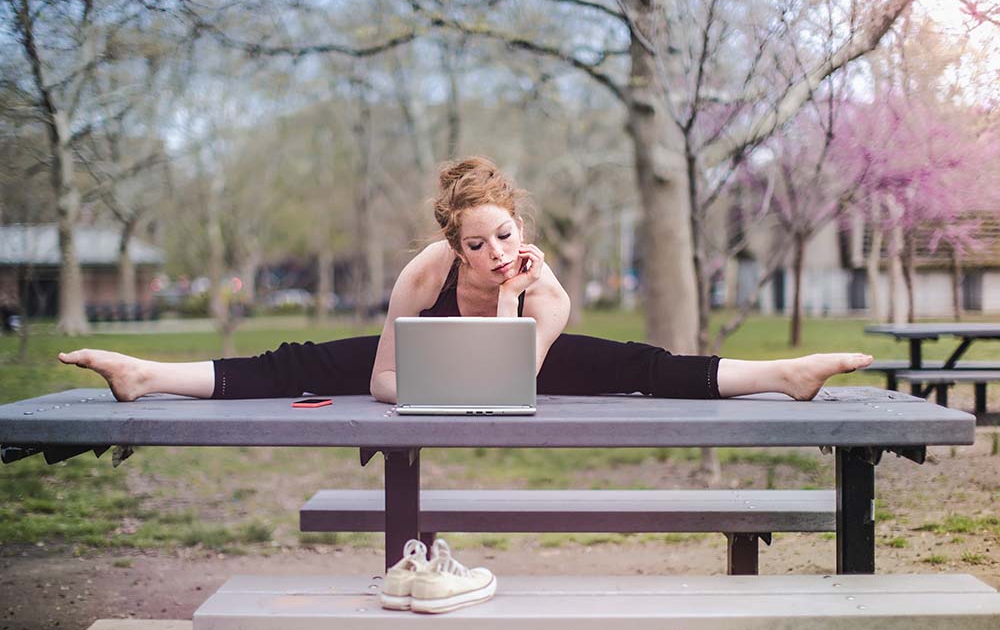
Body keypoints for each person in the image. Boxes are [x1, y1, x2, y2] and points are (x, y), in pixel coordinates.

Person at [58, 156, 872, 404]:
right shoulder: (422, 275)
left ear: (519, 229)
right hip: (422, 370)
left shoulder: (546, 291)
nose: (491, 251)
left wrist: (516, 298)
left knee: (640, 366)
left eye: (503, 235)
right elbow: (380, 376)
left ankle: (787, 375)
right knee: (298, 361)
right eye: (475, 242)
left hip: (526, 353)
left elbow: (513, 380)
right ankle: (144, 374)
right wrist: (414, 385)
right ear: (454, 243)